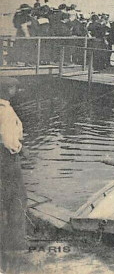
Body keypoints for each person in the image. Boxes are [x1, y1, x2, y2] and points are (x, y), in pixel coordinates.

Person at [0, 77, 26, 274]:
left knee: (3, 198)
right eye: (14, 88)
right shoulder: (6, 111)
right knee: (17, 200)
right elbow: (9, 141)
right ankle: (15, 246)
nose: (16, 91)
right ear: (8, 90)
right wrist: (19, 148)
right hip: (8, 159)